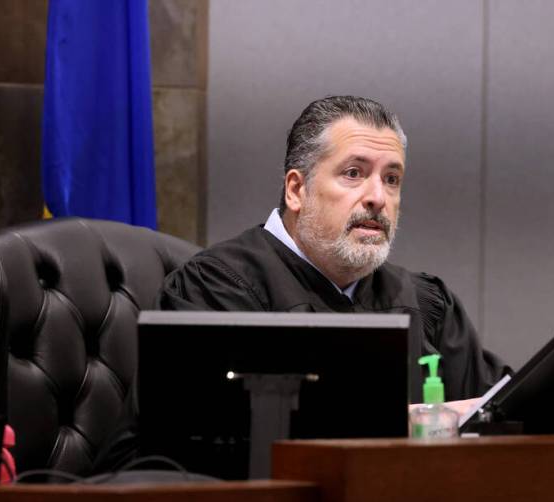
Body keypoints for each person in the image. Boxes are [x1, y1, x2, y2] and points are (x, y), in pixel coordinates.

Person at [160, 95, 508, 404]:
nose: (377, 198)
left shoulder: (425, 301)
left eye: (391, 179)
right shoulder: (217, 290)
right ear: (297, 190)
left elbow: (503, 413)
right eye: (354, 173)